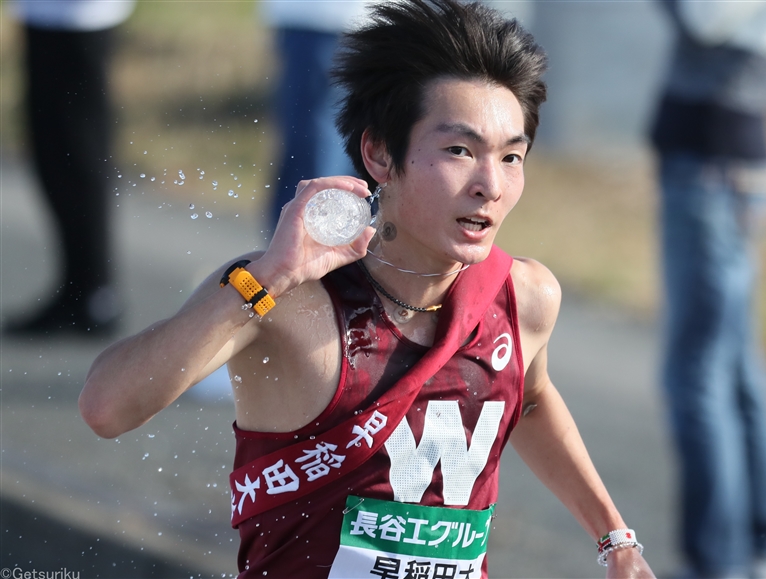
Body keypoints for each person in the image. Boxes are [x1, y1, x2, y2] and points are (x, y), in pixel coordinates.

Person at [79, 1, 657, 577]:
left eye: (511, 156)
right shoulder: (289, 300)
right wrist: (269, 278)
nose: (490, 185)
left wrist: (615, 538)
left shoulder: (523, 297)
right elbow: (106, 409)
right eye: (459, 150)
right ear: (380, 153)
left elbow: (528, 400)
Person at [650, 2, 766, 578]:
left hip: (711, 168)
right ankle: (759, 549)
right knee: (733, 368)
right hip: (725, 161)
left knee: (696, 377)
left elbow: (707, 17)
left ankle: (717, 562)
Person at [4, 0, 135, 337]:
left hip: (75, 15)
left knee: (76, 148)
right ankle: (81, 287)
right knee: (54, 147)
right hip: (50, 12)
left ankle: (92, 290)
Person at [258, 1, 367, 234]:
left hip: (323, 20)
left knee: (314, 160)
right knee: (360, 154)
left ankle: (302, 260)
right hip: (361, 22)